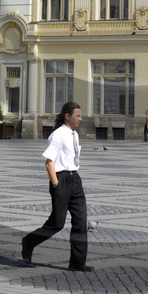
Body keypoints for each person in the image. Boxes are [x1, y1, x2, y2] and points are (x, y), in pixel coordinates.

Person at [21, 101, 91, 272]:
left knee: (80, 222)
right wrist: (56, 184)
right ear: (67, 116)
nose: (80, 119)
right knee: (57, 223)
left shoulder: (74, 134)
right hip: (61, 180)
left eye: (81, 116)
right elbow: (49, 162)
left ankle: (77, 262)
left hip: (75, 180)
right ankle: (29, 241)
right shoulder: (58, 135)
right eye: (78, 116)